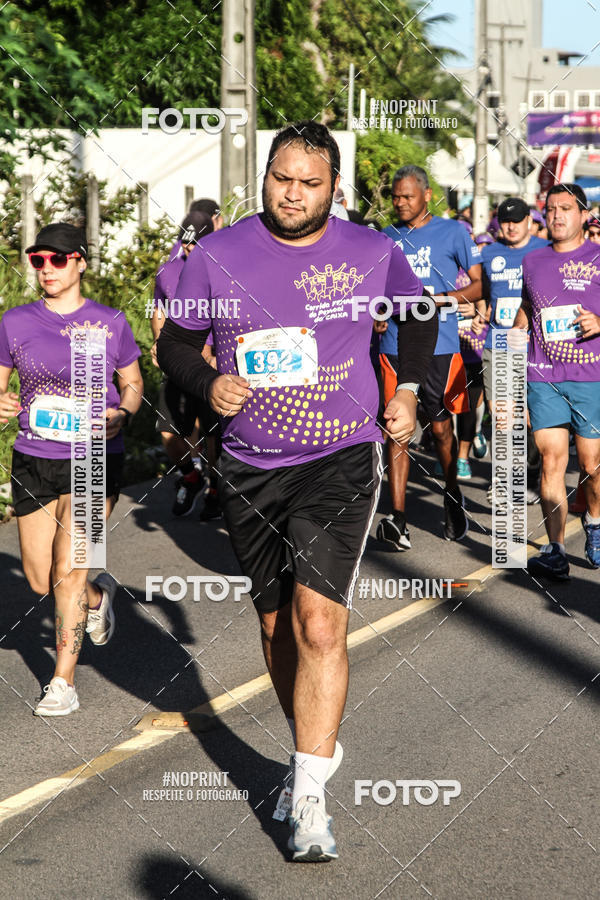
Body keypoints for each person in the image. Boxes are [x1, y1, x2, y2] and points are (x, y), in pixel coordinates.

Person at [157, 121, 438, 861]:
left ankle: (308, 796)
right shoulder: (217, 253)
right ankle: (310, 750)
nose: (292, 193)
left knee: (320, 624)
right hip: (249, 464)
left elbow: (420, 315)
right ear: (267, 175)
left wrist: (409, 389)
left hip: (341, 457)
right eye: (282, 177)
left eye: (309, 183)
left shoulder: (371, 251)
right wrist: (206, 379)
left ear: (333, 189)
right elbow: (173, 343)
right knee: (278, 627)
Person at [0, 223, 142, 714]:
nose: (46, 269)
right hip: (34, 457)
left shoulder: (109, 322)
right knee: (41, 579)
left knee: (68, 574)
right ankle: (99, 600)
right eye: (38, 259)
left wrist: (123, 412)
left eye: (58, 259)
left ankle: (63, 682)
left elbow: (133, 384)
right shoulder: (14, 323)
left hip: (94, 457)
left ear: (80, 262)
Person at [376, 164, 482, 550]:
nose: (400, 203)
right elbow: (375, 288)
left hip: (441, 347)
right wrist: (377, 314)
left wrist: (442, 300)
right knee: (397, 430)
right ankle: (398, 517)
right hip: (394, 351)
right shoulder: (385, 237)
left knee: (440, 430)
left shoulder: (454, 231)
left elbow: (477, 284)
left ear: (425, 195)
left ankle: (452, 492)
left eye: (407, 196)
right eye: (395, 197)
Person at [512, 183, 600, 578]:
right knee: (551, 460)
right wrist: (511, 339)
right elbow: (526, 310)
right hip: (543, 373)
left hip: (591, 374)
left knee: (591, 464)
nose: (557, 215)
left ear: (584, 215)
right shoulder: (532, 262)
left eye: (566, 208)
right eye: (550, 209)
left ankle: (595, 523)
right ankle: (555, 548)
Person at [475, 198, 548, 504]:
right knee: (502, 416)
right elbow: (483, 291)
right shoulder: (489, 253)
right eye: (505, 221)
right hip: (499, 342)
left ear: (529, 221)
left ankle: (532, 472)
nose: (511, 226)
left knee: (531, 416)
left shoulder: (543, 251)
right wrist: (480, 310)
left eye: (517, 220)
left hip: (534, 345)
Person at [151, 211, 222, 517]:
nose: (191, 248)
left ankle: (216, 491)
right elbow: (158, 310)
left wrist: (219, 355)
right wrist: (158, 343)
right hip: (179, 364)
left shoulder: (223, 270)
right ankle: (191, 479)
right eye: (186, 242)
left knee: (213, 438)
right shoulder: (167, 272)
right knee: (168, 434)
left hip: (212, 369)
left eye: (197, 242)